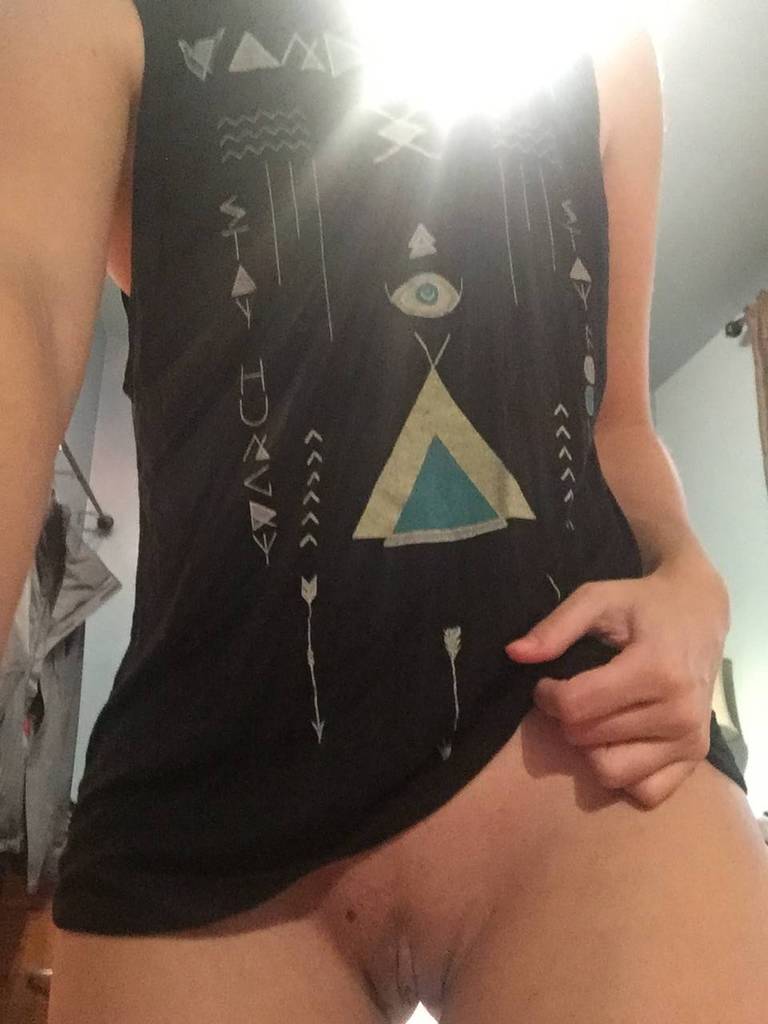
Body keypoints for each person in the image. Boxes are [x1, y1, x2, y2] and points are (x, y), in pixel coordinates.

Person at [1, 1, 766, 1021]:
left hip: (583, 749)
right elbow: (22, 312)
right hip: (205, 797)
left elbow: (616, 423)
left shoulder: (606, 45)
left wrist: (689, 573)